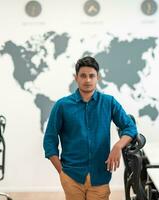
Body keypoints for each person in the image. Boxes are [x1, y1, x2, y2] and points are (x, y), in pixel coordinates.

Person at [43, 56, 138, 200]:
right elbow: (49, 140)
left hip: (100, 176)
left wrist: (118, 146)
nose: (87, 80)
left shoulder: (109, 102)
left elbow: (130, 127)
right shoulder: (62, 105)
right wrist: (61, 171)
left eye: (91, 76)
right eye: (83, 76)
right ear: (76, 78)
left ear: (97, 77)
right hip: (71, 176)